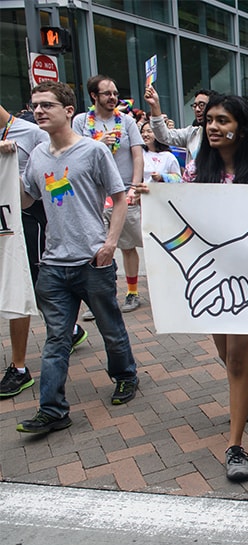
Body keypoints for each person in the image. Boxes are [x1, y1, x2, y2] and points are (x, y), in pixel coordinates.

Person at [16, 81, 139, 434]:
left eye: (47, 105)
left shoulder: (93, 151)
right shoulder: (37, 156)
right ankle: (52, 410)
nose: (38, 111)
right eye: (35, 105)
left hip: (92, 261)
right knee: (56, 339)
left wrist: (110, 243)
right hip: (53, 264)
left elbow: (118, 196)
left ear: (69, 111)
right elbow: (27, 199)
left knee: (110, 329)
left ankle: (126, 375)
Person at [180, 93, 248, 482]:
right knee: (226, 354)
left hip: (245, 286)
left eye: (223, 120)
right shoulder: (193, 174)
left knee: (236, 360)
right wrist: (153, 194)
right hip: (208, 282)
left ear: (243, 129)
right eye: (210, 120)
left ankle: (235, 447)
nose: (214, 127)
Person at [1, 103, 90, 399]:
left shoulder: (30, 133)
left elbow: (54, 177)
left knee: (25, 283)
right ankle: (69, 329)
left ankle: (19, 366)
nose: (41, 110)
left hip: (27, 222)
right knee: (34, 290)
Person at [73, 75, 145, 315]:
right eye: (107, 93)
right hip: (92, 195)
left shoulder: (126, 122)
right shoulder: (81, 122)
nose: (113, 97)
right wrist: (96, 142)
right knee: (97, 247)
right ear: (94, 96)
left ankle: (133, 293)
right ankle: (100, 299)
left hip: (122, 193)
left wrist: (134, 186)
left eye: (115, 93)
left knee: (127, 244)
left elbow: (137, 155)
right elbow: (73, 154)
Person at [145, 85, 211, 160]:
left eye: (202, 105)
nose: (197, 109)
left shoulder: (223, 134)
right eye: (195, 105)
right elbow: (164, 136)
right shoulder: (191, 133)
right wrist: (155, 105)